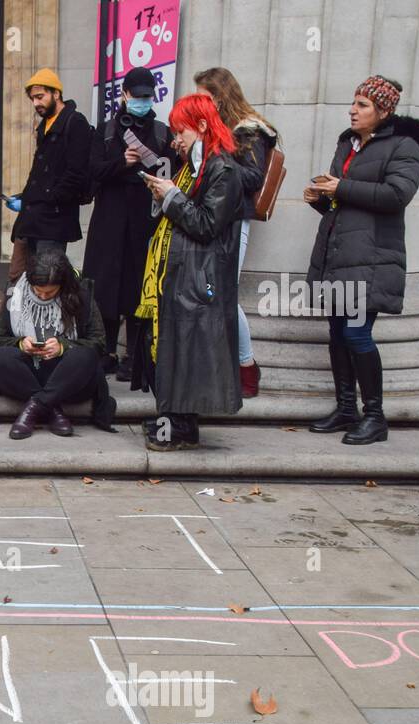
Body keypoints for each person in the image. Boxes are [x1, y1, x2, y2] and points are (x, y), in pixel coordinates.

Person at [305, 76, 419, 445]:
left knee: (357, 333)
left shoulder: (404, 147)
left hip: (373, 260)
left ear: (384, 110)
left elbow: (397, 195)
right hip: (339, 255)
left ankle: (375, 417)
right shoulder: (347, 143)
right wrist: (320, 198)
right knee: (337, 333)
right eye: (354, 102)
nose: (353, 109)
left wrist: (341, 187)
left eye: (362, 104)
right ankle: (346, 409)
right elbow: (341, 204)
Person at [138, 93, 244, 451]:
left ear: (200, 126)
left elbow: (205, 224)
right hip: (183, 273)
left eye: (179, 130)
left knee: (185, 353)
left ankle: (180, 429)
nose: (174, 139)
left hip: (200, 276)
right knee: (172, 352)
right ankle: (172, 423)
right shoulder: (195, 165)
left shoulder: (223, 169)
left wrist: (170, 196)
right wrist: (164, 195)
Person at [81, 66, 177, 381]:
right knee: (105, 286)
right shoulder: (107, 130)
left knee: (139, 286)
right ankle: (106, 350)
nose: (142, 102)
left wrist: (152, 170)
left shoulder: (163, 133)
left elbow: (170, 176)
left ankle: (133, 356)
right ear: (124, 95)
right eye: (137, 97)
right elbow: (93, 171)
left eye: (147, 97)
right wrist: (122, 163)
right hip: (108, 220)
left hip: (145, 220)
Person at [195, 67, 278, 399]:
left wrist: (213, 156)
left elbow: (252, 177)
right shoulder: (221, 130)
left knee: (225, 294)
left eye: (204, 95)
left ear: (219, 95)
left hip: (232, 222)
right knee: (212, 294)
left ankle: (246, 366)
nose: (199, 102)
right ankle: (226, 366)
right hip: (211, 219)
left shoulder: (248, 131)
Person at [0, 248, 116, 439]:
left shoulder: (81, 293)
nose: (42, 296)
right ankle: (52, 411)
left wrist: (63, 347)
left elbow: (98, 342)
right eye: (37, 291)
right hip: (27, 375)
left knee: (84, 356)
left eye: (50, 292)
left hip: (68, 378)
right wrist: (20, 344)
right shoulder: (15, 292)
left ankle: (33, 409)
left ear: (63, 284)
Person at [6, 69, 94, 284]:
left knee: (48, 280)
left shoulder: (75, 122)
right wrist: (25, 197)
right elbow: (39, 172)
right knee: (18, 279)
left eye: (40, 96)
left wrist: (49, 198)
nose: (36, 103)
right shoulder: (46, 124)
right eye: (33, 99)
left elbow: (76, 172)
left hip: (53, 219)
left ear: (56, 93)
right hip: (32, 217)